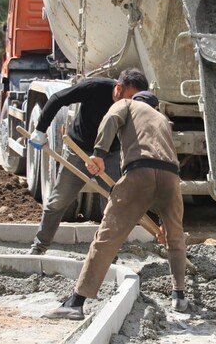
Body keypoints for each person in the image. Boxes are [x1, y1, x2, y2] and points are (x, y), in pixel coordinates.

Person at [47, 90, 188, 320]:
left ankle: (76, 302)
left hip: (139, 172)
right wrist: (163, 220)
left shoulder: (127, 104)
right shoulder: (163, 119)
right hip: (171, 179)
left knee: (107, 237)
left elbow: (111, 118)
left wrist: (99, 153)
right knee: (175, 237)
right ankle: (179, 296)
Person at [27, 68, 148, 255]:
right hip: (79, 151)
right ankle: (39, 246)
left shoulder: (135, 106)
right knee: (58, 201)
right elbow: (58, 98)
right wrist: (40, 129)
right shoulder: (95, 88)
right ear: (118, 88)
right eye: (130, 97)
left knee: (113, 205)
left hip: (109, 156)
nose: (132, 103)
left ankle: (108, 253)